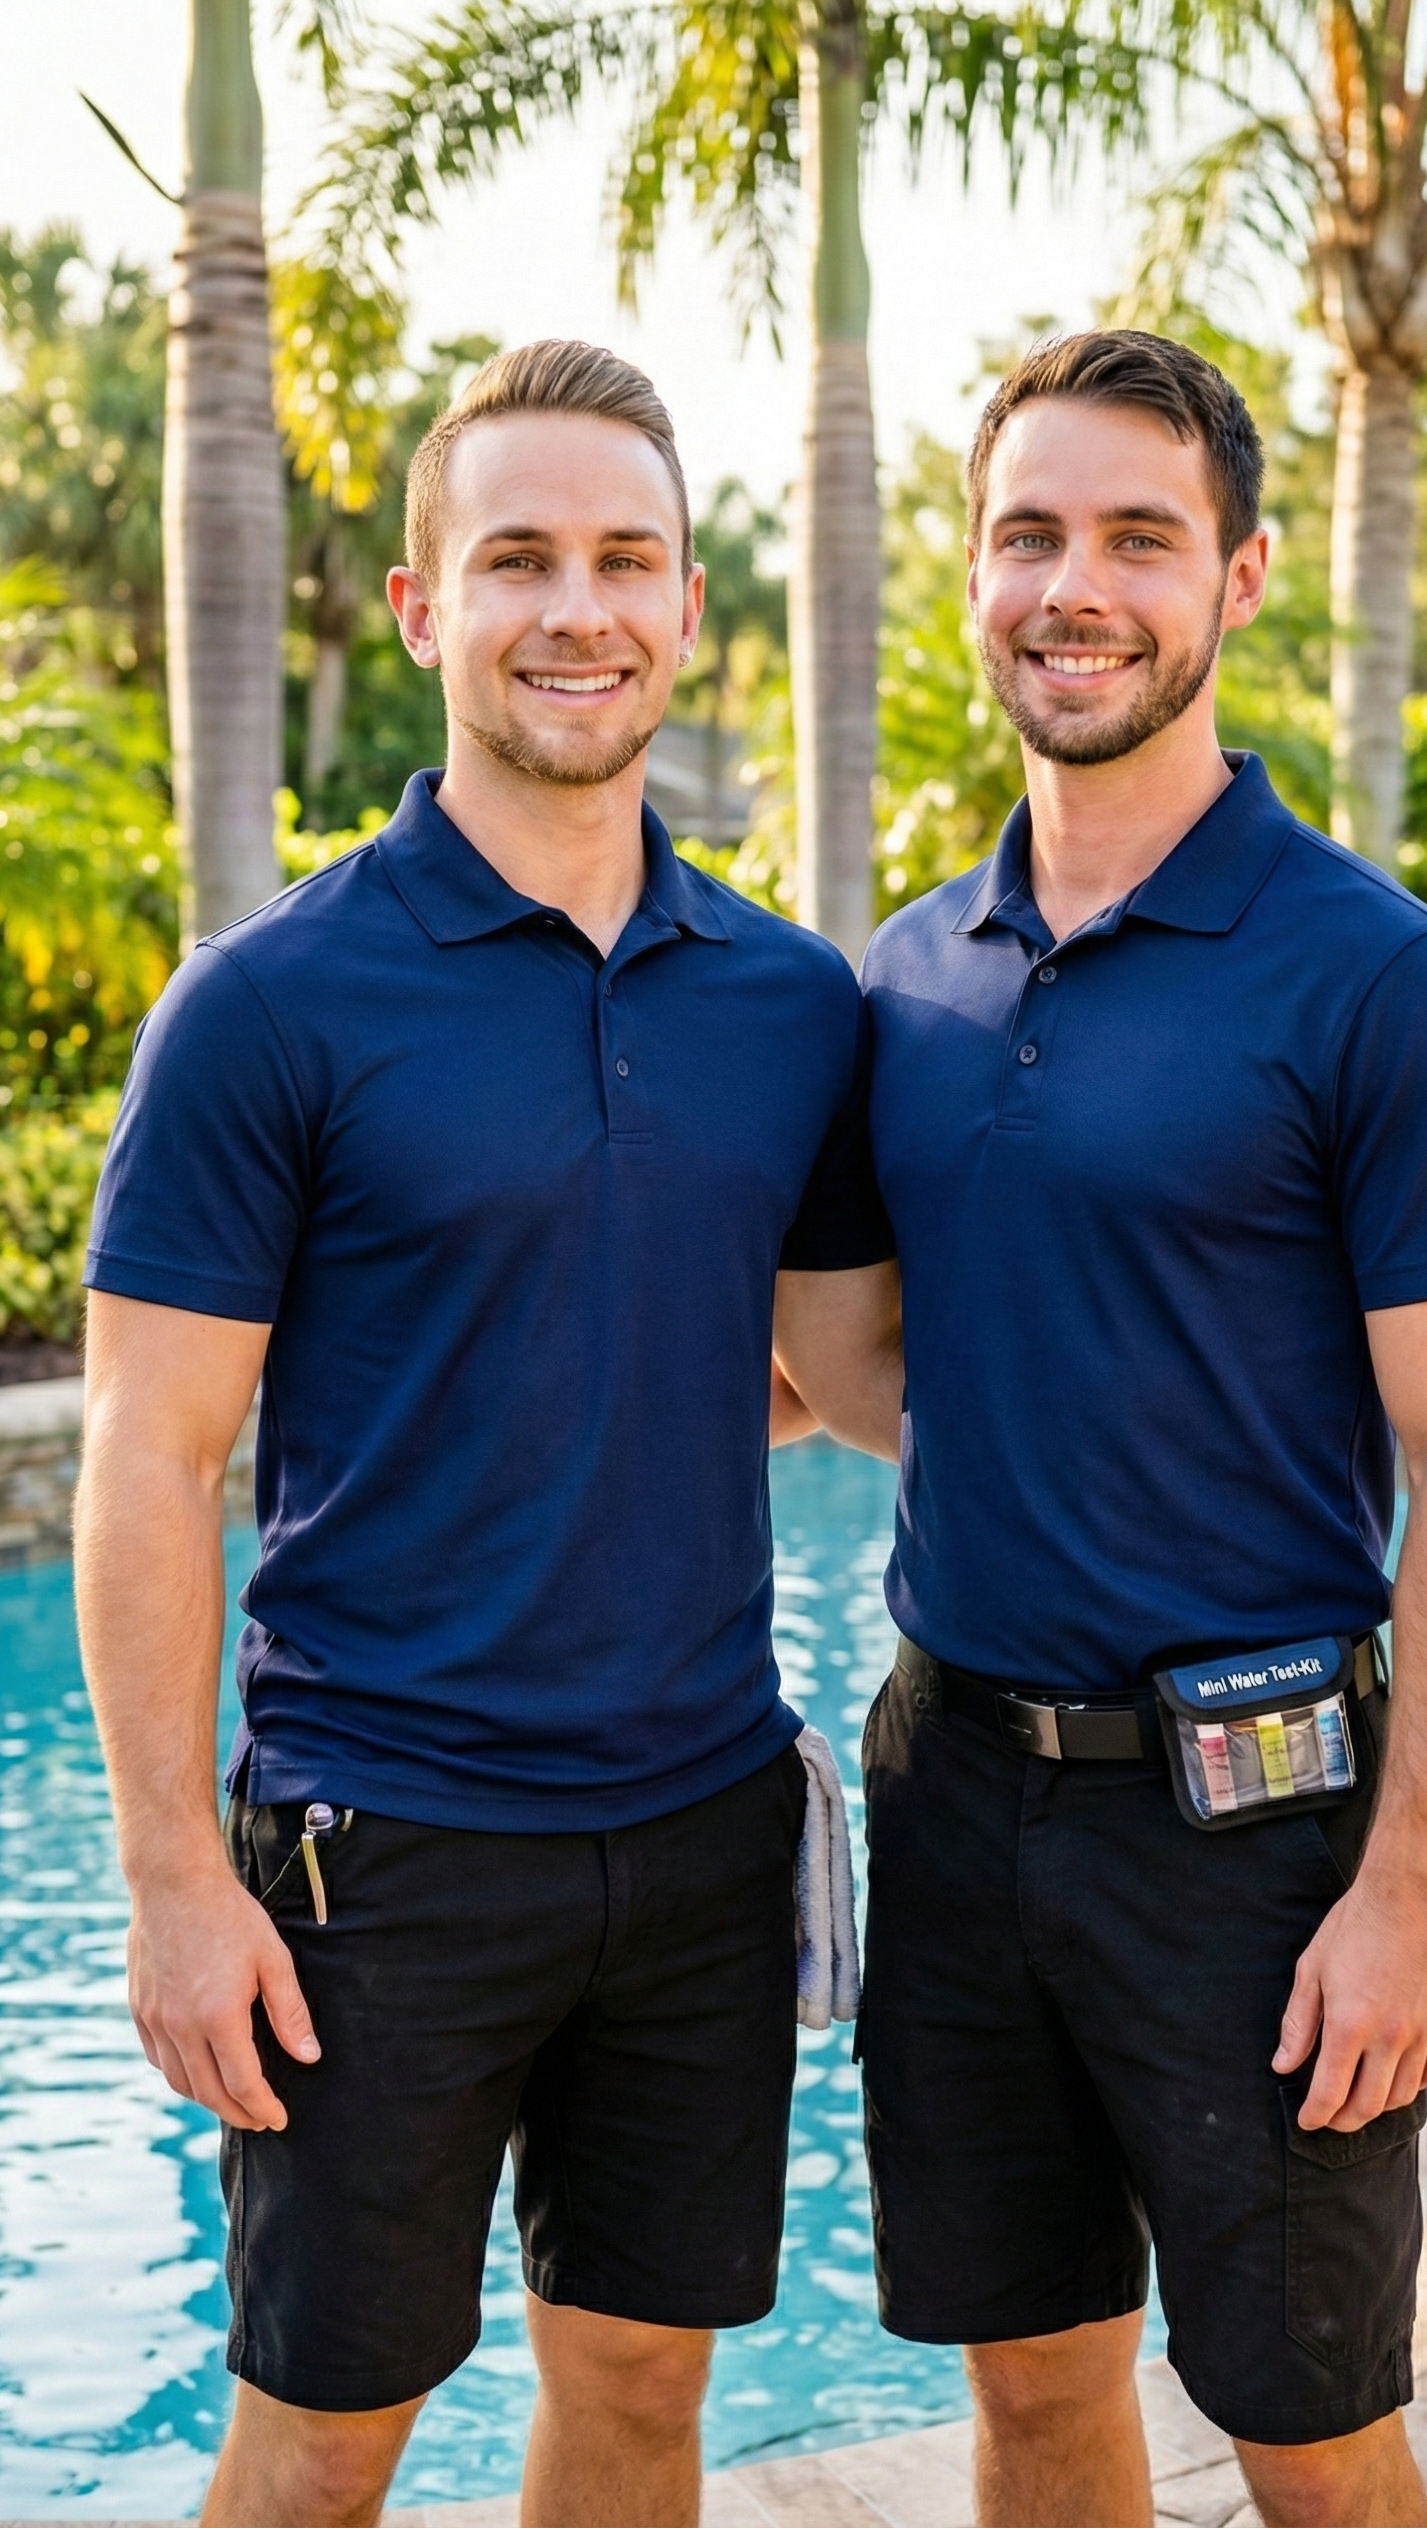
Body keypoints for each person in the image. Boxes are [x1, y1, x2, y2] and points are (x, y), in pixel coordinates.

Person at [74, 339, 895, 2528]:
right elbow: (148, 1462)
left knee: (639, 2400)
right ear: (427, 604)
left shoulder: (788, 1002)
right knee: (322, 2439)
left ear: (690, 609)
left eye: (626, 558)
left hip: (709, 1832)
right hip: (383, 1852)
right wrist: (173, 1886)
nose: (577, 607)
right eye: (517, 556)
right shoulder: (268, 1006)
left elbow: (825, 1367)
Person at [778, 330, 1427, 2528]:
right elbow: (863, 1379)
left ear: (1237, 578)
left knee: (1315, 2449)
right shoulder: (905, 979)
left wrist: (1412, 1893)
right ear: (969, 578)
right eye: (1029, 532)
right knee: (1030, 2412)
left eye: (1137, 533)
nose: (1075, 584)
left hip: (1256, 1834)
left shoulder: (1377, 981)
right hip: (953, 1802)